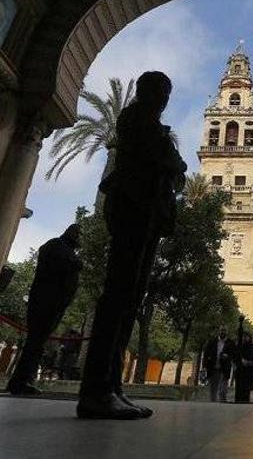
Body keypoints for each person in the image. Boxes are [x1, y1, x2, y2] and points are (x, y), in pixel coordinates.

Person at [76, 71, 187, 420]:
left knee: (129, 298)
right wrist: (174, 162)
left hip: (147, 213)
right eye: (160, 92)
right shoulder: (138, 120)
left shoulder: (149, 124)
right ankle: (97, 390)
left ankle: (111, 386)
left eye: (167, 93)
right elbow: (171, 161)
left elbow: (172, 163)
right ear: (145, 92)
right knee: (119, 297)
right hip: (135, 209)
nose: (164, 99)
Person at [7, 224, 82, 395]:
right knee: (35, 342)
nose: (80, 240)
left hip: (53, 303)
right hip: (46, 302)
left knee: (37, 343)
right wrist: (77, 263)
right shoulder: (56, 246)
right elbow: (67, 265)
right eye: (78, 235)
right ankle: (21, 381)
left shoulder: (62, 248)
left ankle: (23, 380)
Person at [202, 325, 236, 402]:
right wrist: (204, 366)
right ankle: (213, 403)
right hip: (213, 367)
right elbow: (206, 354)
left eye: (224, 330)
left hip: (225, 368)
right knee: (213, 387)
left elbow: (234, 355)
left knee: (223, 389)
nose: (222, 332)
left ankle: (222, 403)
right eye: (221, 330)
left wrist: (227, 356)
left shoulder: (231, 343)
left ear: (227, 332)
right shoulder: (212, 342)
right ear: (219, 331)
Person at [234, 332, 253, 403]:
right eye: (243, 337)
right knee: (239, 389)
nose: (245, 338)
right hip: (240, 371)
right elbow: (234, 357)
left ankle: (245, 402)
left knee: (247, 391)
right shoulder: (238, 346)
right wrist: (240, 361)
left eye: (246, 337)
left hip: (249, 372)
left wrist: (250, 362)